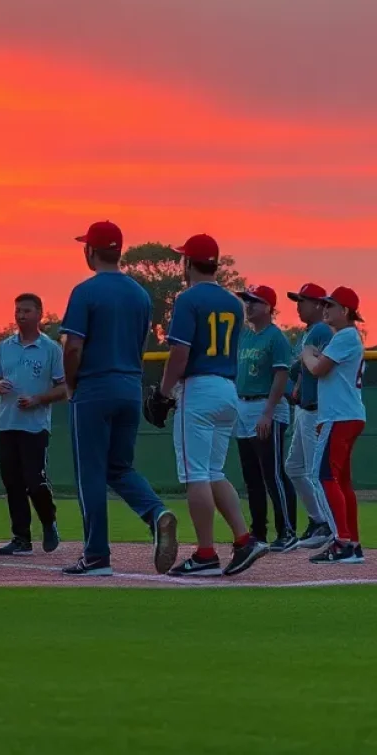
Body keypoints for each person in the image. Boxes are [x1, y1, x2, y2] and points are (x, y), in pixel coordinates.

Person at [59, 221, 178, 577]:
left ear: (90, 251)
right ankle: (156, 513)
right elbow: (141, 344)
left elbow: (73, 347)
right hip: (129, 385)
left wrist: (70, 385)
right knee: (119, 467)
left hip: (94, 388)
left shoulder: (85, 292)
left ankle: (96, 556)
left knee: (91, 473)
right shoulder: (140, 295)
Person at [157, 234, 269, 577]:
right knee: (214, 472)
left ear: (188, 263)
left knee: (196, 476)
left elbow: (180, 354)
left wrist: (164, 392)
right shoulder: (234, 303)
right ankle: (244, 538)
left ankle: (206, 553)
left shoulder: (188, 298)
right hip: (227, 389)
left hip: (199, 389)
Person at [0, 293, 67, 556]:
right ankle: (21, 538)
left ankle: (48, 520)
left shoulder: (51, 349)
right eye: (18, 311)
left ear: (39, 314)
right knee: (12, 483)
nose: (21, 315)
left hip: (34, 426)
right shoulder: (4, 347)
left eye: (27, 311)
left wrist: (37, 399)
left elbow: (65, 387)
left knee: (35, 481)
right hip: (7, 424)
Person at [302, 287, 366, 564]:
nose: (326, 309)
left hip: (339, 416)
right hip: (347, 415)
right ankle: (351, 542)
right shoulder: (348, 337)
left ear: (346, 311)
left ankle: (342, 543)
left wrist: (306, 353)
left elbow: (317, 369)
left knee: (322, 477)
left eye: (332, 305)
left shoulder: (346, 336)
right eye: (325, 305)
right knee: (341, 482)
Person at [235, 285, 297, 550]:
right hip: (243, 406)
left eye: (255, 301)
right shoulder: (246, 337)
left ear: (269, 307)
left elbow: (281, 376)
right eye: (247, 301)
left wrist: (268, 413)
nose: (249, 305)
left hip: (266, 407)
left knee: (272, 473)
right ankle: (258, 532)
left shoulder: (276, 338)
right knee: (252, 477)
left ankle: (288, 531)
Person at [285, 283, 335, 549]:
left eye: (303, 301)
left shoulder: (321, 330)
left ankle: (328, 525)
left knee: (316, 472)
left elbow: (323, 366)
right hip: (303, 408)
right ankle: (318, 520)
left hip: (315, 410)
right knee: (293, 468)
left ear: (318, 305)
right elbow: (302, 369)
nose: (298, 305)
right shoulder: (308, 332)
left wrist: (301, 374)